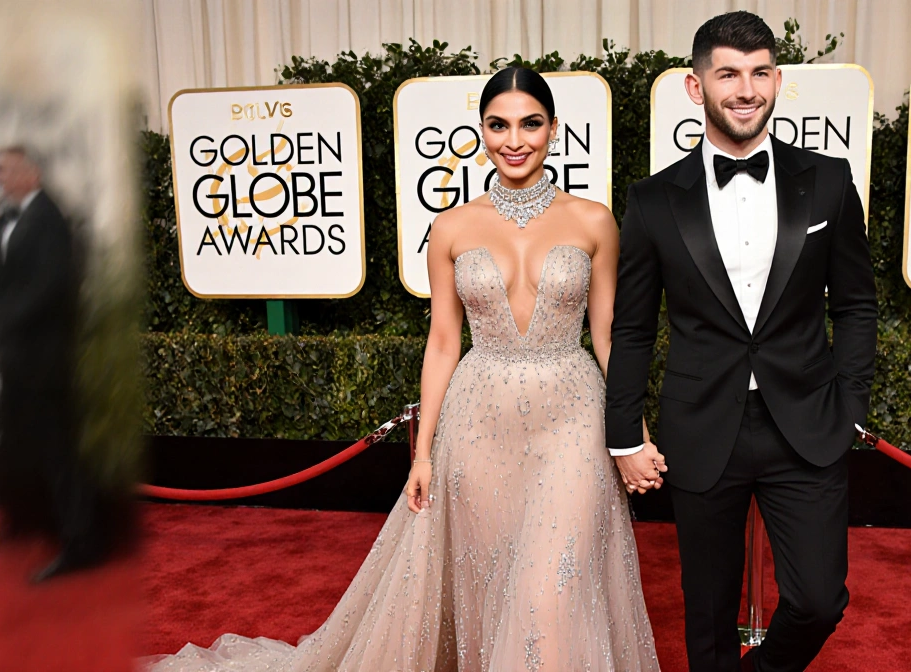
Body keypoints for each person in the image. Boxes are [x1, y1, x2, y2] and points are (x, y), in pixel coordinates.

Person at [144, 67, 661, 671]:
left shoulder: (594, 220)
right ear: (482, 131)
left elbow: (608, 336)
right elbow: (443, 341)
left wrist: (632, 430)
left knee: (554, 582)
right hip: (480, 421)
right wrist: (423, 454)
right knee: (492, 578)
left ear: (553, 129)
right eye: (498, 125)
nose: (514, 139)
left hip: (573, 416)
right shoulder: (452, 226)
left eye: (530, 123)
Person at [605, 11, 877, 672]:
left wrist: (850, 406)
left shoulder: (830, 182)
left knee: (818, 600)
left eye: (759, 73)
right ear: (697, 87)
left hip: (806, 425)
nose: (745, 89)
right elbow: (633, 326)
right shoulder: (651, 202)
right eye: (728, 73)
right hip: (701, 426)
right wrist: (623, 435)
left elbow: (857, 305)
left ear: (777, 81)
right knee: (708, 610)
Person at [0, 146, 101, 583]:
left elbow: (51, 286)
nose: (0, 176)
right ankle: (30, 523)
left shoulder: (49, 219)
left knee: (59, 452)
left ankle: (81, 544)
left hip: (44, 358)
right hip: (17, 357)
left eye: (4, 168)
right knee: (22, 444)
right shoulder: (12, 217)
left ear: (31, 171)